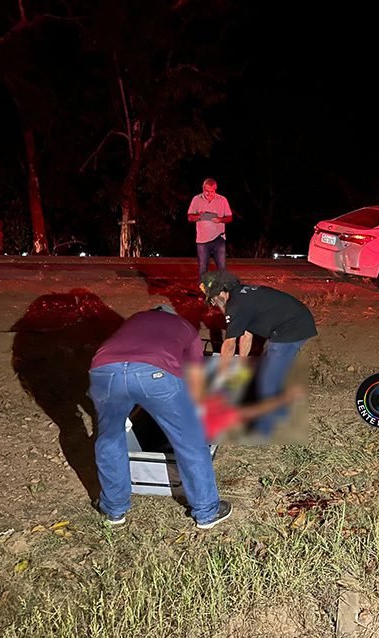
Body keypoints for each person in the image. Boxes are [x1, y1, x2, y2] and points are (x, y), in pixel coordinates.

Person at [88, 304, 231, 529]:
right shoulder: (185, 326)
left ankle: (114, 510)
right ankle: (206, 512)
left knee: (109, 438)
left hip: (104, 371)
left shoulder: (135, 318)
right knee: (189, 440)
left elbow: (124, 358)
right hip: (154, 372)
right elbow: (194, 374)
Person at [200, 270, 317, 438]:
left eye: (213, 298)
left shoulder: (235, 305)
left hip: (291, 328)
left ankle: (265, 427)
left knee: (267, 377)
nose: (214, 302)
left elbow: (230, 343)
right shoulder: (240, 295)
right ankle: (280, 413)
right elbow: (246, 336)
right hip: (296, 322)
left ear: (223, 290)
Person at [187, 178, 233, 283]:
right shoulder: (196, 199)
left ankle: (222, 290)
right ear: (203, 188)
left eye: (212, 191)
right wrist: (199, 216)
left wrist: (220, 219)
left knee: (221, 266)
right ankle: (203, 291)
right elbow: (189, 217)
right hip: (202, 239)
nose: (209, 193)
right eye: (207, 191)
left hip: (219, 238)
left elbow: (230, 218)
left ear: (215, 189)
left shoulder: (222, 200)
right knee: (203, 267)